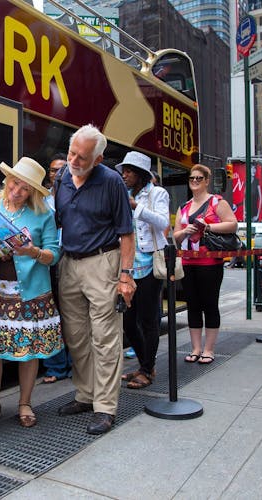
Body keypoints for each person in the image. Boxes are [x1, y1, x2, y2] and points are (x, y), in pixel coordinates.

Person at [54, 124, 135, 435]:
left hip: (103, 261)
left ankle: (105, 407)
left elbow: (127, 233)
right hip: (69, 263)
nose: (74, 160)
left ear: (98, 159)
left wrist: (125, 277)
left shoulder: (112, 182)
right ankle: (86, 395)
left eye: (82, 157)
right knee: (75, 336)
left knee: (105, 337)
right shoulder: (62, 177)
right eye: (72, 152)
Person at [0, 157, 63, 428]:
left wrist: (33, 251)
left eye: (25, 188)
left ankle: (25, 403)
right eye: (15, 183)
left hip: (31, 294)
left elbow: (54, 255)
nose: (17, 190)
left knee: (29, 350)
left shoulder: (43, 214)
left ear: (33, 192)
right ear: (7, 180)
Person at [172, 164, 237, 365]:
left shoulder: (217, 202)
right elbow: (175, 235)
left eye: (199, 178)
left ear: (207, 181)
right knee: (192, 305)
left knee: (209, 304)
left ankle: (208, 349)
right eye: (192, 178)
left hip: (210, 261)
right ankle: (195, 348)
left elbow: (232, 224)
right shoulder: (183, 206)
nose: (195, 181)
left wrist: (207, 226)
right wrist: (185, 232)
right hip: (188, 261)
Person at [116, 152, 170, 389]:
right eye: (124, 171)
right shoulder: (123, 194)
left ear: (140, 175)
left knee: (148, 320)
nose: (124, 175)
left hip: (149, 265)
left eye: (128, 171)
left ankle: (147, 370)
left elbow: (163, 222)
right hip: (127, 266)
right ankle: (144, 364)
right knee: (128, 321)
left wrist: (137, 207)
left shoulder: (157, 193)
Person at [41, 153, 73, 384]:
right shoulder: (41, 198)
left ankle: (74, 364)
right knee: (50, 314)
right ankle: (55, 365)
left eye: (62, 169)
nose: (57, 174)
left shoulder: (75, 195)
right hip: (48, 261)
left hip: (71, 258)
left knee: (72, 313)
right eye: (53, 170)